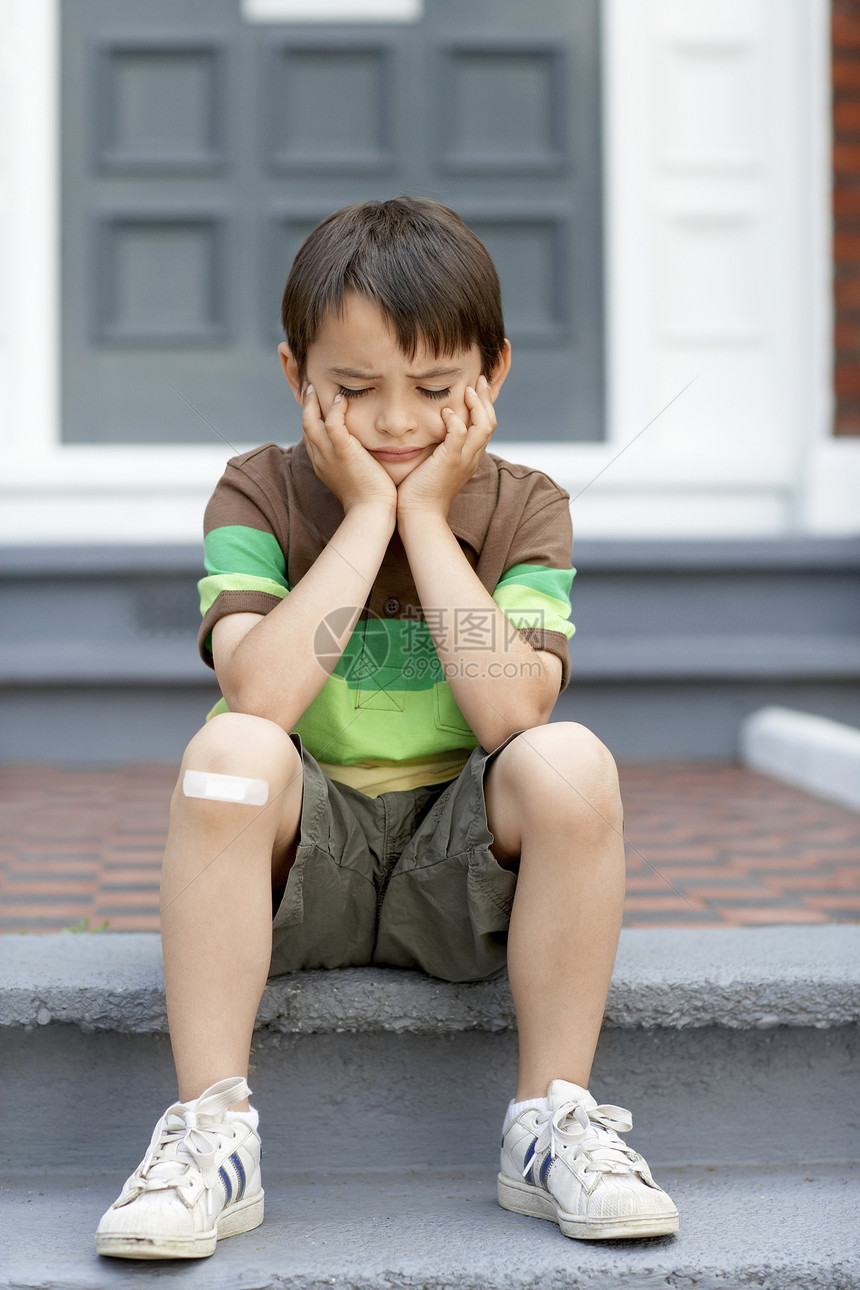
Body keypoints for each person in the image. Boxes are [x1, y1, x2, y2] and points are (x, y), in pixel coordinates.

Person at [95, 197, 678, 1260]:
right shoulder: (256, 492)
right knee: (226, 754)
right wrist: (367, 515)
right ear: (295, 377)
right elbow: (259, 699)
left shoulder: (524, 507)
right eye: (355, 391)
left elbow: (512, 713)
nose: (397, 422)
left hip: (458, 877)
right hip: (298, 875)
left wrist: (426, 519)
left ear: (491, 376)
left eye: (435, 390)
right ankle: (210, 1137)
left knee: (571, 761)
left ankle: (551, 1122)